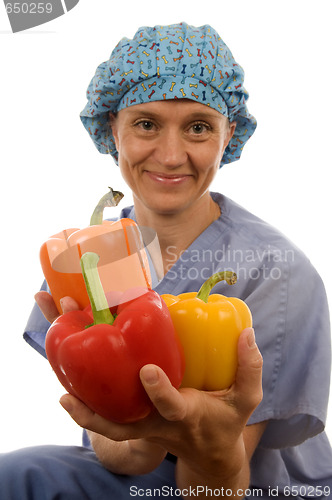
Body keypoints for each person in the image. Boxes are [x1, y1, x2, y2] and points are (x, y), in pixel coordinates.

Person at [1, 22, 331, 499]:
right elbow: (122, 454)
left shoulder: (278, 273)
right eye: (146, 124)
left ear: (229, 134)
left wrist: (207, 446)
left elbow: (221, 483)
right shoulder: (84, 259)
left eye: (198, 127)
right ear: (112, 128)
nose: (171, 155)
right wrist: (136, 434)